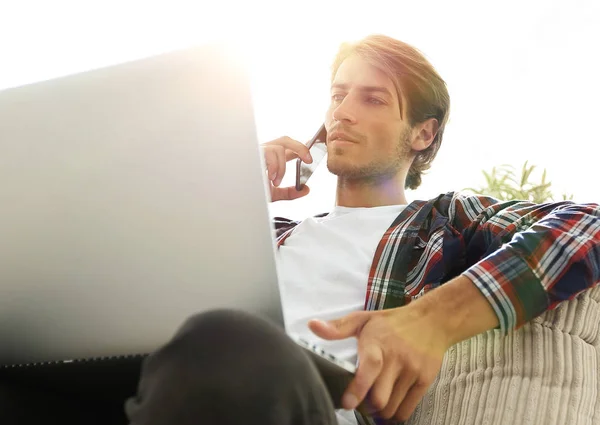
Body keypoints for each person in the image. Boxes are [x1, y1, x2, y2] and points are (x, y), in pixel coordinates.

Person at [2, 34, 599, 425]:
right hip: (161, 385)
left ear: (423, 134)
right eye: (338, 95)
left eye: (371, 99)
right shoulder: (275, 233)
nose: (341, 111)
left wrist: (433, 319)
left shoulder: (446, 221)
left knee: (229, 345)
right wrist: (220, 188)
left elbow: (588, 226)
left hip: (282, 391)